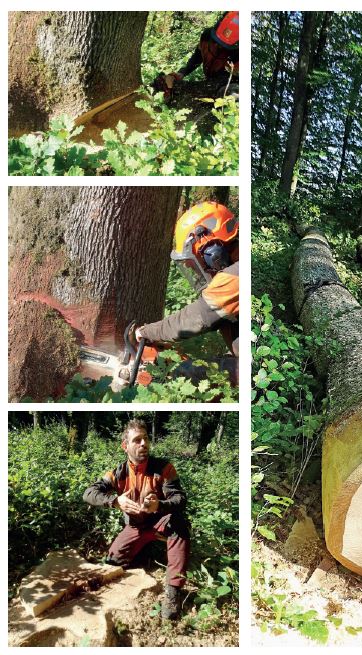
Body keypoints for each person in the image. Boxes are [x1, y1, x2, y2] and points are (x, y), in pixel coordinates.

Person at [83, 419, 190, 620]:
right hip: (136, 527)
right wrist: (115, 501)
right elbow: (89, 493)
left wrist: (160, 504)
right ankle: (142, 553)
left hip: (161, 523)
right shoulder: (118, 473)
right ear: (125, 446)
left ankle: (173, 592)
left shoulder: (163, 468)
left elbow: (180, 498)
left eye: (146, 439)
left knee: (179, 523)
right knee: (112, 561)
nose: (144, 444)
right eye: (137, 440)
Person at [136, 201, 239, 383]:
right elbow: (216, 321)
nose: (200, 271)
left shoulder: (234, 277)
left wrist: (145, 332)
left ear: (212, 253)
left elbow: (193, 320)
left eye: (197, 263)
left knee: (182, 372)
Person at [164, 11, 239, 92]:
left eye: (224, 46)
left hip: (226, 86)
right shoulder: (206, 36)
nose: (218, 46)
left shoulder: (238, 54)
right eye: (216, 41)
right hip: (209, 79)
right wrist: (183, 72)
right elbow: (198, 56)